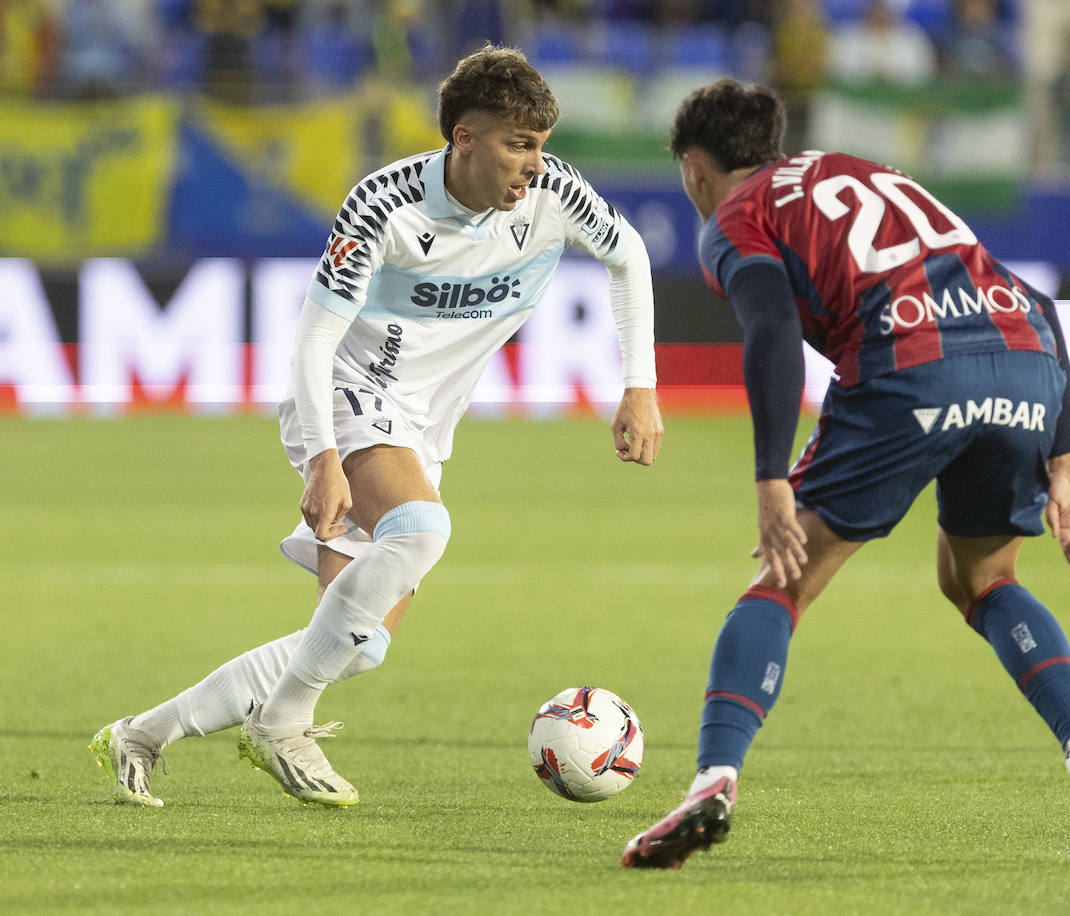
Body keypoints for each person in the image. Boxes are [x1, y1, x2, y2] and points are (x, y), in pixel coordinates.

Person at [89, 44, 663, 807]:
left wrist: (639, 386)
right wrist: (322, 457)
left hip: (422, 428)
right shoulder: (385, 205)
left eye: (540, 147)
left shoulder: (554, 193)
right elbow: (313, 339)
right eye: (518, 145)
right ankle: (281, 724)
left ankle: (140, 736)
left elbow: (629, 255)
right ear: (464, 137)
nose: (534, 166)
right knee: (422, 530)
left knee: (353, 644)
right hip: (347, 393)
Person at [621, 78, 1070, 870]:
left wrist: (770, 478)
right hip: (1025, 358)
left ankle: (713, 780)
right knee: (982, 579)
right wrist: (1065, 452)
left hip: (910, 365)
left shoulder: (737, 216)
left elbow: (771, 328)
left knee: (783, 582)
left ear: (694, 167)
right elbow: (1038, 298)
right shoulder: (857, 170)